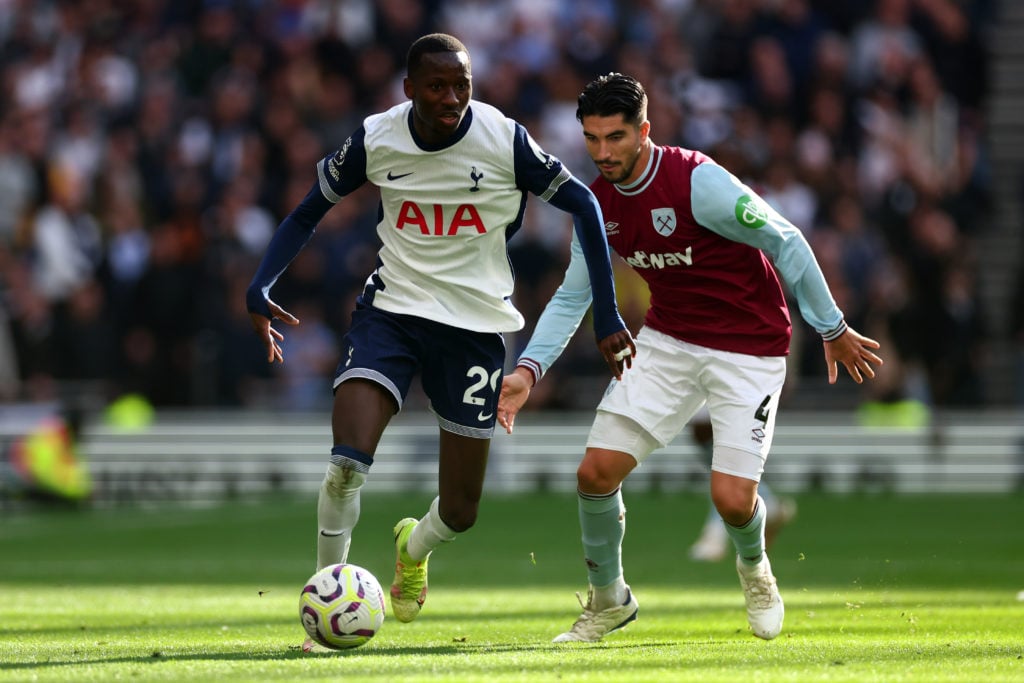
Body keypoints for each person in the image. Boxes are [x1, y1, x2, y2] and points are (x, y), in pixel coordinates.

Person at [245, 35, 633, 651]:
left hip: (475, 327)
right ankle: (323, 605)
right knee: (347, 464)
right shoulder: (378, 137)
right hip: (392, 313)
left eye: (462, 85)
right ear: (409, 90)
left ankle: (413, 546)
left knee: (461, 510)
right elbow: (306, 211)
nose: (452, 98)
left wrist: (607, 313)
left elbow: (584, 204)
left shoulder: (503, 140)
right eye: (437, 86)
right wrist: (261, 282)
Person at [498, 73, 883, 643]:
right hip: (669, 341)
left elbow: (787, 239)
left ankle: (754, 569)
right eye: (593, 139)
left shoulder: (697, 182)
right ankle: (609, 600)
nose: (603, 153)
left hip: (750, 349)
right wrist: (528, 370)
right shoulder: (594, 203)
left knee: (731, 501)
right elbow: (575, 292)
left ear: (645, 131)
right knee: (595, 472)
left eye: (616, 137)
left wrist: (830, 326)